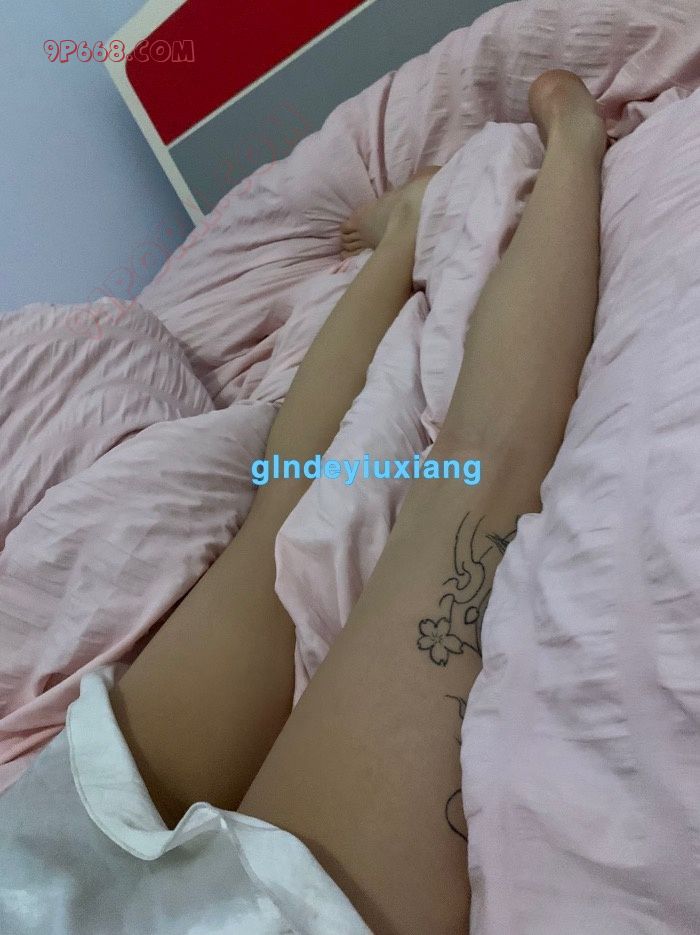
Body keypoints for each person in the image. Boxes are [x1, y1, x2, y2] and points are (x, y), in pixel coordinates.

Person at [0, 69, 609, 935]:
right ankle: (573, 143)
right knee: (472, 499)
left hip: (35, 880)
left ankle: (406, 232)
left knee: (288, 511)